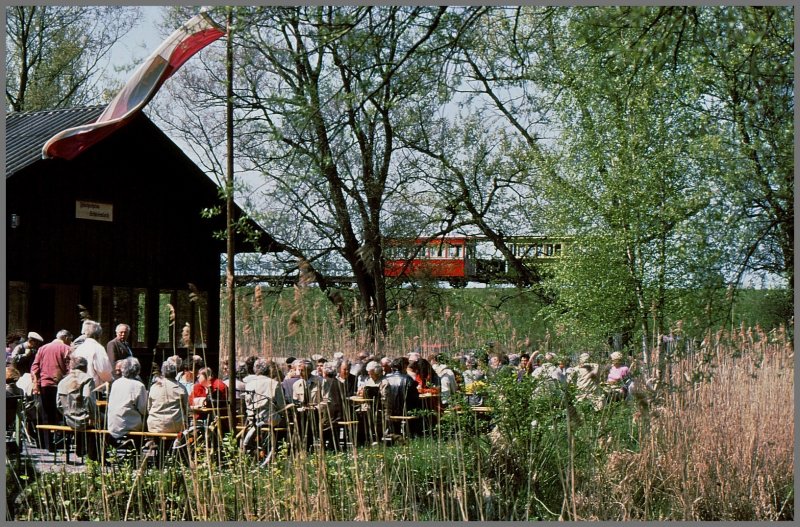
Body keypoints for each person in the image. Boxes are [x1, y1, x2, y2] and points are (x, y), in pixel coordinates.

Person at [30, 329, 73, 451]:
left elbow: (34, 367)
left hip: (44, 385)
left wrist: (36, 384)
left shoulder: (42, 348)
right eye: (70, 339)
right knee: (62, 414)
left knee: (45, 415)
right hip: (60, 386)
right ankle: (61, 441)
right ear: (65, 338)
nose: (70, 342)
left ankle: (46, 444)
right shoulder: (66, 349)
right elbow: (70, 368)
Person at [57, 355, 99, 460]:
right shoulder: (87, 379)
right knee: (105, 419)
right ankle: (96, 455)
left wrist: (67, 413)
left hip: (69, 419)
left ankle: (81, 451)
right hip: (84, 419)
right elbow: (88, 398)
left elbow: (58, 404)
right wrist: (93, 415)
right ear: (85, 367)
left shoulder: (62, 381)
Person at [106, 357, 148, 444]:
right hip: (128, 424)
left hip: (113, 424)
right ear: (137, 370)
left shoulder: (116, 383)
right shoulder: (139, 385)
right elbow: (144, 409)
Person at [381, 357, 422, 438]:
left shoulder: (386, 378)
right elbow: (415, 397)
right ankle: (413, 434)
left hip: (389, 412)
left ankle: (395, 435)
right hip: (406, 411)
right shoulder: (408, 379)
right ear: (404, 367)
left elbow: (382, 395)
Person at [147, 359, 189, 434]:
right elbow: (187, 408)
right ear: (176, 372)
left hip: (154, 425)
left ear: (163, 371)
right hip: (175, 425)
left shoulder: (154, 387)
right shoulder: (181, 388)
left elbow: (149, 407)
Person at [244, 358, 287, 427]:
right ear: (269, 369)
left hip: (252, 419)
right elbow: (281, 406)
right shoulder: (274, 384)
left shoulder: (249, 384)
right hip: (271, 421)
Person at [72, 320, 113, 390]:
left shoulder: (79, 348)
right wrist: (111, 380)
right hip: (93, 389)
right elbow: (103, 370)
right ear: (98, 335)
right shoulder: (97, 348)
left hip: (77, 386)